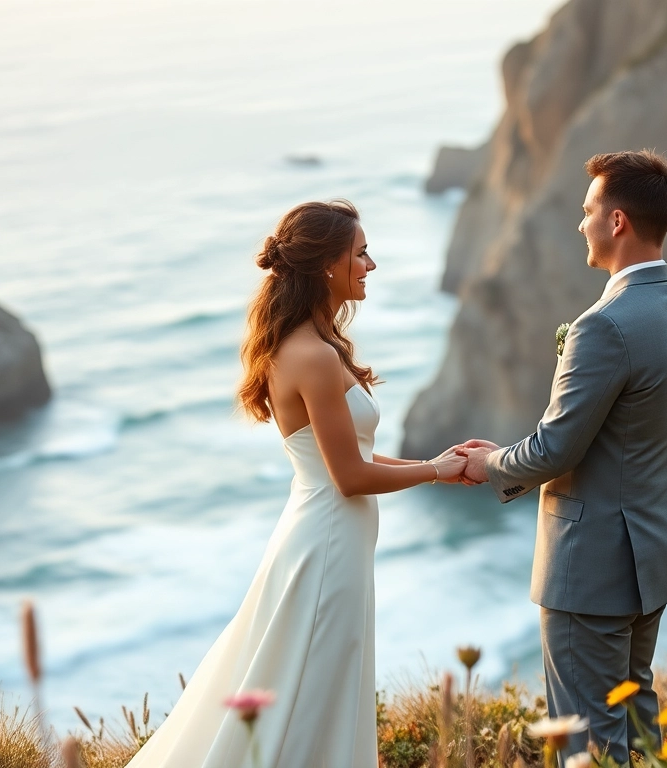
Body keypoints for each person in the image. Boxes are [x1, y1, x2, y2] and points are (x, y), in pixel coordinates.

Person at [123, 199, 468, 768]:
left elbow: (350, 454)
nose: (370, 265)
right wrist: (436, 471)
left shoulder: (311, 346)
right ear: (327, 264)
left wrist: (435, 463)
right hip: (327, 544)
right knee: (312, 687)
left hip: (326, 535)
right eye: (360, 254)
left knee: (308, 680)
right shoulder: (312, 356)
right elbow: (351, 477)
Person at [459, 150, 667, 764]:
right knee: (636, 717)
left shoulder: (603, 326)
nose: (581, 224)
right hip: (654, 554)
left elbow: (553, 449)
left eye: (588, 211)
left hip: (590, 565)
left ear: (618, 221)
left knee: (587, 738)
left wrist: (489, 463)